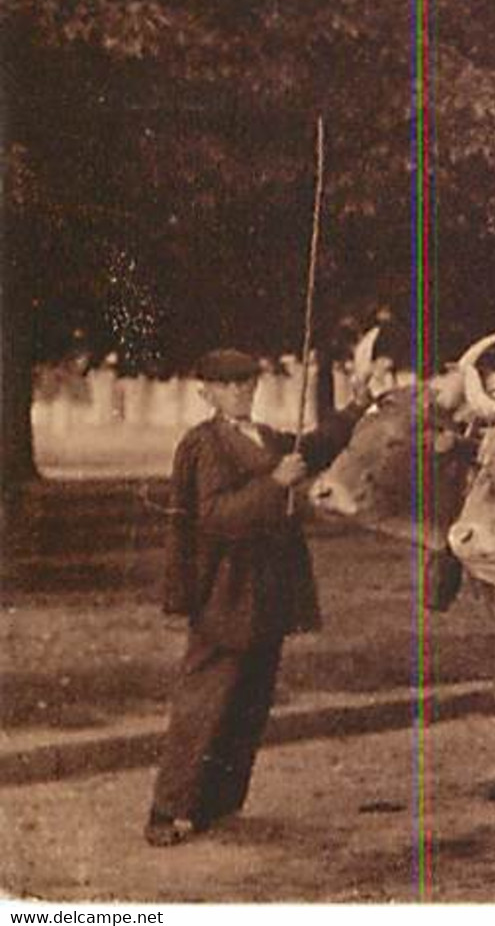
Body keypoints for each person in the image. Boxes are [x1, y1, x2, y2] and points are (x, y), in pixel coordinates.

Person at [145, 348, 371, 847]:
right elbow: (215, 517)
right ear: (207, 392)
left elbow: (312, 449)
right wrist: (275, 483)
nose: (242, 392)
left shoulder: (266, 436)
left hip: (271, 591)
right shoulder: (204, 445)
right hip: (225, 591)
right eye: (229, 385)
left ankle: (220, 805)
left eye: (248, 383)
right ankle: (168, 810)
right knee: (204, 702)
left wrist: (355, 408)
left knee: (250, 702)